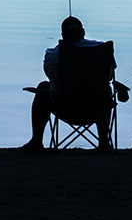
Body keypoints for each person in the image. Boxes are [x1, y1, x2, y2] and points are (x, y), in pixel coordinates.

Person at [22, 16, 125, 151]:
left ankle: (36, 141)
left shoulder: (53, 54)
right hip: (97, 109)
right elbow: (109, 77)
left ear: (63, 35)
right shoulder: (102, 50)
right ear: (83, 32)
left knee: (43, 86)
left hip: (65, 107)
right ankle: (104, 142)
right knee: (104, 90)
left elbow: (51, 77)